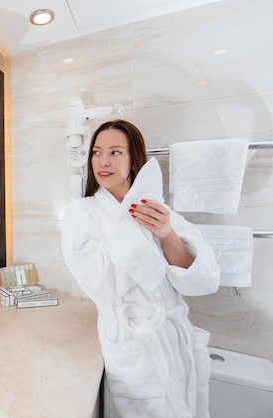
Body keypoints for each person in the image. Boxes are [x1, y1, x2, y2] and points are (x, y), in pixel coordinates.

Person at [61, 120, 220, 418]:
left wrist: (166, 234)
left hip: (172, 335)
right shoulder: (80, 212)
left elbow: (202, 280)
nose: (103, 161)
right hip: (132, 338)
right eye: (96, 152)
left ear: (135, 160)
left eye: (115, 152)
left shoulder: (159, 211)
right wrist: (143, 238)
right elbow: (102, 282)